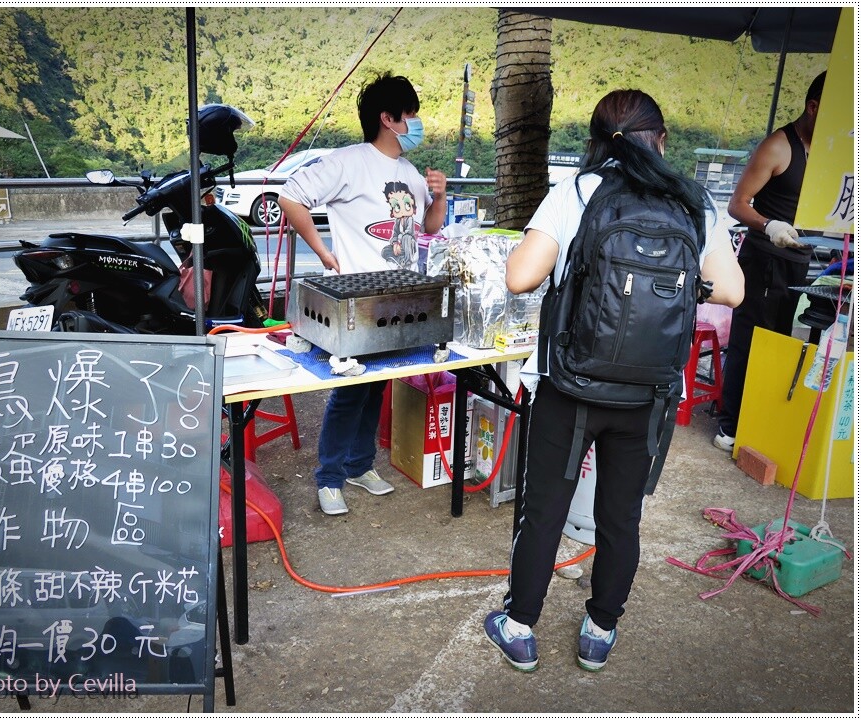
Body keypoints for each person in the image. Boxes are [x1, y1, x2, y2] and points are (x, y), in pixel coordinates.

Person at [483, 89, 744, 673]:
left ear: (597, 141)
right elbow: (733, 292)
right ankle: (599, 631)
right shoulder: (694, 201)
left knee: (544, 509)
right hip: (649, 393)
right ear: (663, 139)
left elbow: (522, 276)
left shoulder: (577, 192)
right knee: (620, 516)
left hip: (571, 383)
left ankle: (519, 625)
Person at [278, 73, 447, 516]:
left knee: (377, 386)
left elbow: (428, 230)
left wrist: (438, 197)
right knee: (351, 389)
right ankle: (329, 478)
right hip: (354, 297)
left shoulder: (409, 173)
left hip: (399, 296)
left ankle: (359, 465)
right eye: (409, 114)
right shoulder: (349, 162)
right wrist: (322, 250)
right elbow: (291, 196)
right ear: (388, 119)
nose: (416, 122)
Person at [714, 72, 826, 452]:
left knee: (779, 341)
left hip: (799, 263)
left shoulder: (830, 152)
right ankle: (730, 426)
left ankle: (760, 420)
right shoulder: (780, 146)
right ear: (813, 107)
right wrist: (769, 224)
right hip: (763, 259)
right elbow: (737, 203)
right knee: (751, 341)